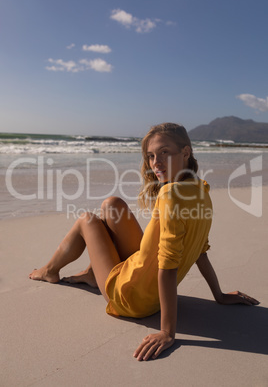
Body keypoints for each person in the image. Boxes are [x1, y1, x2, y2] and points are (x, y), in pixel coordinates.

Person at [29, 122, 259, 361]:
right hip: (146, 283)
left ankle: (50, 270)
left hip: (131, 298)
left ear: (185, 153)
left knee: (86, 220)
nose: (155, 162)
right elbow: (200, 251)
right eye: (150, 156)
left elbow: (168, 265)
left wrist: (167, 332)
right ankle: (91, 274)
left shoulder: (170, 195)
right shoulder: (201, 190)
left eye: (164, 152)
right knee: (112, 205)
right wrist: (219, 295)